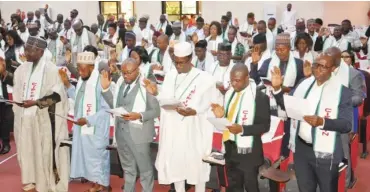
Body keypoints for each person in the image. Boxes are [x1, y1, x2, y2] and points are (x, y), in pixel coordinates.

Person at [271, 53, 353, 192]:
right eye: (316, 65)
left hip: (326, 154)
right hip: (302, 150)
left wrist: (323, 122)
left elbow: (346, 125)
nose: (317, 69)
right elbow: (288, 107)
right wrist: (278, 89)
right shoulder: (304, 84)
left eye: (323, 67)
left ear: (333, 68)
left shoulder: (342, 92)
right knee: (305, 188)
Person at [150, 41, 222, 192]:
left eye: (182, 63)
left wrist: (195, 111)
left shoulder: (204, 79)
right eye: (176, 62)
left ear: (190, 59)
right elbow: (165, 99)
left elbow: (213, 104)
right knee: (177, 166)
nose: (178, 66)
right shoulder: (170, 76)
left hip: (194, 131)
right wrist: (156, 92)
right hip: (174, 130)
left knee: (196, 168)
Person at [10, 36, 70, 192]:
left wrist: (36, 103)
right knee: (28, 151)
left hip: (42, 122)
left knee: (43, 154)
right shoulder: (21, 70)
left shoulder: (51, 70)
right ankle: (30, 180)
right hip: (25, 121)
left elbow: (58, 96)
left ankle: (45, 184)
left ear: (41, 51)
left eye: (30, 50)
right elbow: (18, 91)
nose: (26, 53)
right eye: (26, 49)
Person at [100, 58, 160, 192]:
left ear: (137, 70)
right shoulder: (121, 83)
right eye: (123, 73)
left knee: (145, 170)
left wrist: (139, 115)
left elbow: (156, 111)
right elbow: (115, 106)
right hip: (121, 134)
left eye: (129, 73)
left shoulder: (147, 84)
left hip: (139, 134)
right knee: (128, 169)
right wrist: (105, 90)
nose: (125, 76)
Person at [211, 63, 271, 192]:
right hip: (230, 148)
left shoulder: (260, 98)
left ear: (247, 78)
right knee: (233, 187)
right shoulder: (229, 94)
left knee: (251, 188)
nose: (233, 84)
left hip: (248, 154)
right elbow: (229, 121)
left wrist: (243, 129)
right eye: (231, 80)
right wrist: (221, 116)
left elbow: (265, 126)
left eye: (237, 80)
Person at [68, 52, 111, 192]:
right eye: (78, 68)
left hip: (96, 128)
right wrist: (68, 86)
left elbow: (107, 109)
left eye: (82, 68)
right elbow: (78, 101)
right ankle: (95, 183)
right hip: (83, 127)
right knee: (89, 158)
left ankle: (103, 186)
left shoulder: (100, 82)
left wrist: (88, 120)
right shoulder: (82, 80)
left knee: (98, 158)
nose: (79, 71)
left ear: (92, 67)